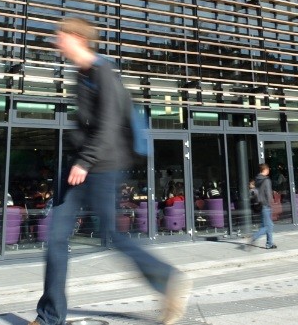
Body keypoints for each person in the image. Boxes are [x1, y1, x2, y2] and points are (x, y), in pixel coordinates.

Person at [28, 16, 190, 325]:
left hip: (103, 166)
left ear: (76, 38)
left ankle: (167, 278)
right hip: (80, 167)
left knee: (112, 234)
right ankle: (49, 317)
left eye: (60, 36)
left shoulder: (103, 73)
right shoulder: (82, 74)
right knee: (56, 238)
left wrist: (85, 160)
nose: (56, 41)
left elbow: (109, 123)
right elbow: (86, 125)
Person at [247, 164, 276, 249]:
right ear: (265, 170)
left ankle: (269, 243)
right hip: (266, 205)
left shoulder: (257, 179)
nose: (269, 170)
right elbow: (268, 193)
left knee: (267, 225)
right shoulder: (266, 180)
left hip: (259, 204)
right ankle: (254, 237)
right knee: (268, 226)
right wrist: (271, 203)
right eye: (268, 169)